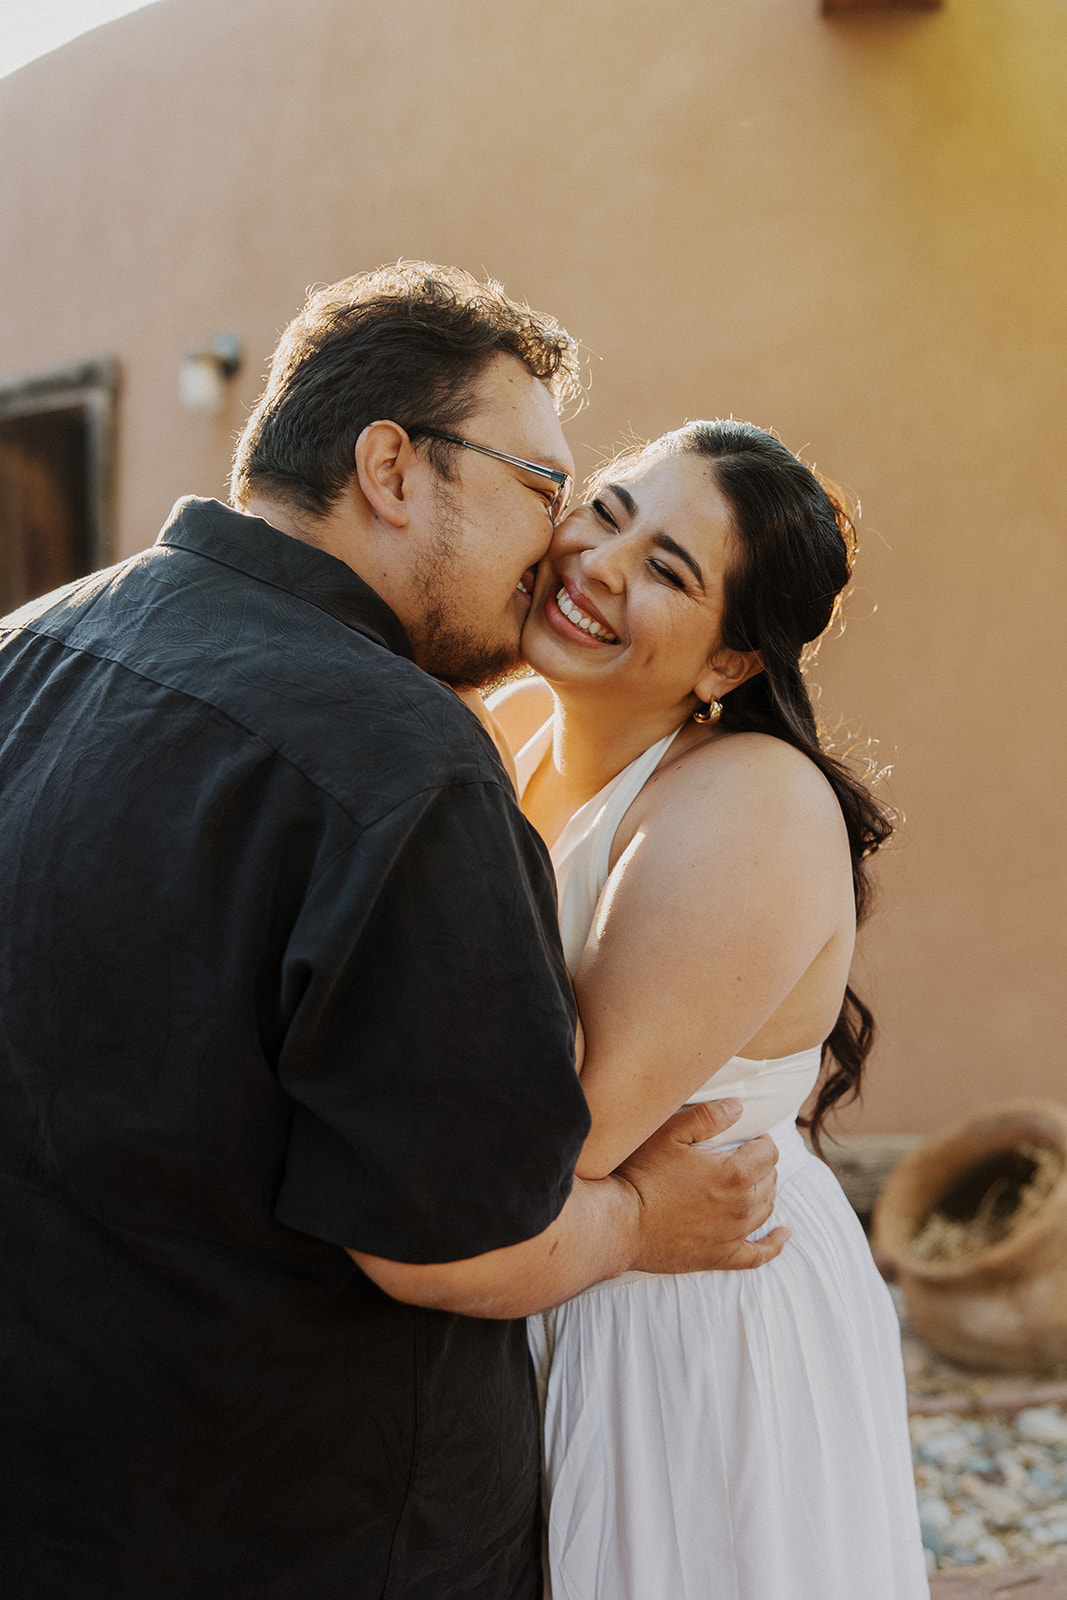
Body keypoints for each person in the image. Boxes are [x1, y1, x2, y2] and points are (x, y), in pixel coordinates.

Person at [0, 265, 786, 1600]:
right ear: (390, 467)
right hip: (300, 1530)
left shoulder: (32, 645)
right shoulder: (403, 760)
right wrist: (640, 1218)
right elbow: (453, 1237)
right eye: (543, 487)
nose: (559, 548)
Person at [489, 421, 930, 1600]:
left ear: (727, 665)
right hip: (548, 1275)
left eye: (667, 569)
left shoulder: (751, 799)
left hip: (687, 1313)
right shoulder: (510, 730)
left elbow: (562, 1140)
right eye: (611, 508)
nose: (599, 562)